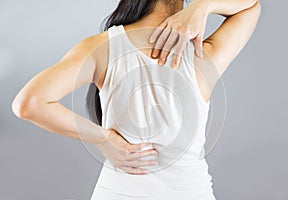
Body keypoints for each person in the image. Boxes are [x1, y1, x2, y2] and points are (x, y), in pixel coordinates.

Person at [11, 0, 261, 199]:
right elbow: (251, 5)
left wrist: (105, 139)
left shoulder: (102, 48)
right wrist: (202, 6)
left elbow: (30, 103)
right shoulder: (203, 54)